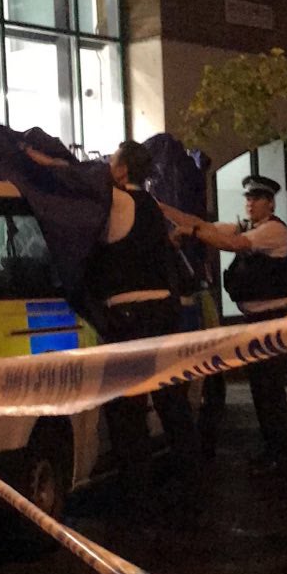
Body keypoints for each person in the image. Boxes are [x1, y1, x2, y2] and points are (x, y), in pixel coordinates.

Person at [84, 140, 201, 518]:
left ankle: (138, 499)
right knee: (170, 402)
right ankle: (188, 485)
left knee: (127, 411)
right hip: (163, 313)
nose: (106, 167)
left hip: (131, 317)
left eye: (111, 161)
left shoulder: (118, 203)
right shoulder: (151, 207)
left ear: (121, 172)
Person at [163, 173, 287, 485]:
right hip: (257, 322)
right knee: (261, 392)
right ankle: (272, 452)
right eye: (247, 198)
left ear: (270, 202)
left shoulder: (273, 231)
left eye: (256, 198)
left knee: (270, 393)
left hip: (272, 320)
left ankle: (282, 459)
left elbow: (230, 243)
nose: (249, 203)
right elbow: (207, 227)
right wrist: (162, 209)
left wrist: (193, 230)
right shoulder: (252, 227)